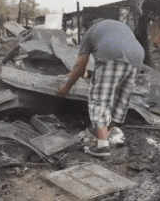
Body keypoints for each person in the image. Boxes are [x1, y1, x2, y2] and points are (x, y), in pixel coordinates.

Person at [57, 17, 145, 158]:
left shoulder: (90, 32)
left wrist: (66, 88)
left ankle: (103, 146)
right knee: (119, 99)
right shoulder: (119, 26)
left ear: (90, 26)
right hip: (138, 57)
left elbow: (79, 68)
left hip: (112, 56)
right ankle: (105, 134)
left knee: (99, 100)